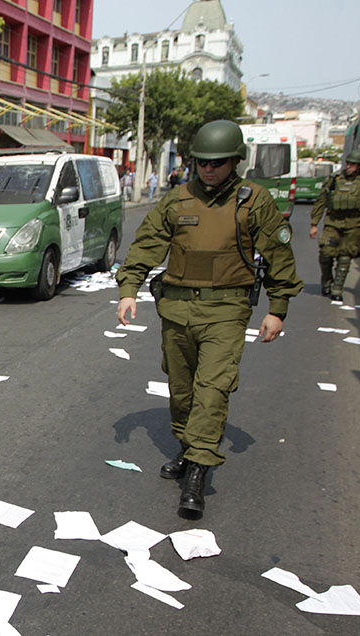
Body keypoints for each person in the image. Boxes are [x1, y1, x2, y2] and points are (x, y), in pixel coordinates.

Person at [115, 119, 303, 517]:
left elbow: (278, 256)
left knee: (213, 388)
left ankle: (198, 469)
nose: (209, 169)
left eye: (218, 162)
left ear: (235, 161)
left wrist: (278, 308)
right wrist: (129, 289)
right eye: (202, 162)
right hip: (177, 310)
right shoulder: (177, 200)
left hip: (227, 311)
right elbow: (146, 245)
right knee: (181, 389)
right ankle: (188, 448)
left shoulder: (254, 201)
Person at [309, 149, 360, 301]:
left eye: (353, 164)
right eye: (348, 163)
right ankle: (326, 282)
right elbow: (322, 200)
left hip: (354, 224)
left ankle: (337, 289)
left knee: (345, 257)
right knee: (326, 254)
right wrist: (314, 224)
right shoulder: (336, 178)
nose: (349, 166)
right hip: (333, 222)